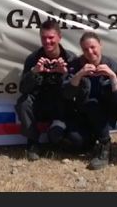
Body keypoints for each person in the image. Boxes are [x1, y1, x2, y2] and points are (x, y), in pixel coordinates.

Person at [63, 32, 117, 170]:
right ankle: (92, 141)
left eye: (93, 47)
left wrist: (112, 76)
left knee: (93, 104)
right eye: (85, 49)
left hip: (106, 114)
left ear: (100, 45)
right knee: (75, 139)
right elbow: (67, 94)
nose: (90, 52)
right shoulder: (76, 65)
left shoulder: (113, 65)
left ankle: (105, 145)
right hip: (84, 114)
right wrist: (79, 75)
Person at [15, 20, 77, 161]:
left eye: (51, 38)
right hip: (39, 105)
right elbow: (23, 89)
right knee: (23, 102)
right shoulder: (33, 59)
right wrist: (34, 72)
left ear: (59, 37)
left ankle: (57, 136)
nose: (47, 41)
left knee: (56, 137)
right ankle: (32, 142)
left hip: (61, 108)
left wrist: (65, 74)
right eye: (44, 38)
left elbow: (75, 92)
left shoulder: (71, 59)